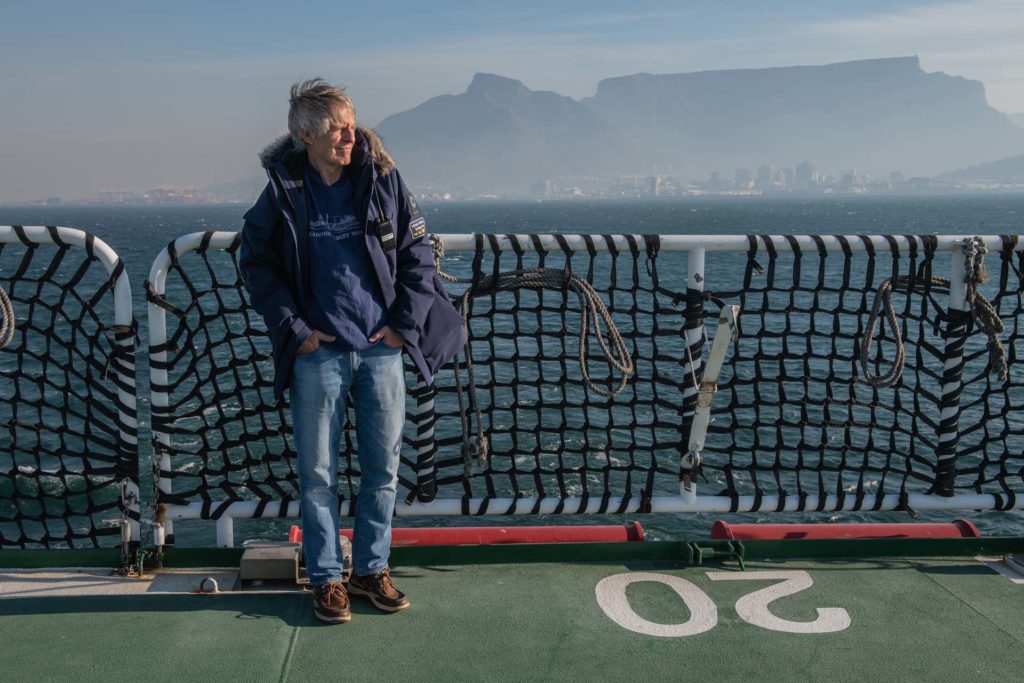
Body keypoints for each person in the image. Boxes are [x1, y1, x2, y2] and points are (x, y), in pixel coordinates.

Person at [240, 79, 466, 624]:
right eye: (337, 129)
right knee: (317, 475)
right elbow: (256, 263)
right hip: (317, 353)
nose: (351, 135)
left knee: (383, 470)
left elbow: (417, 256)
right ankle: (326, 579)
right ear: (304, 135)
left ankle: (369, 569)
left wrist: (400, 327)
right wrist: (296, 330)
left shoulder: (383, 179)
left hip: (382, 352)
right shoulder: (283, 191)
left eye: (351, 123)